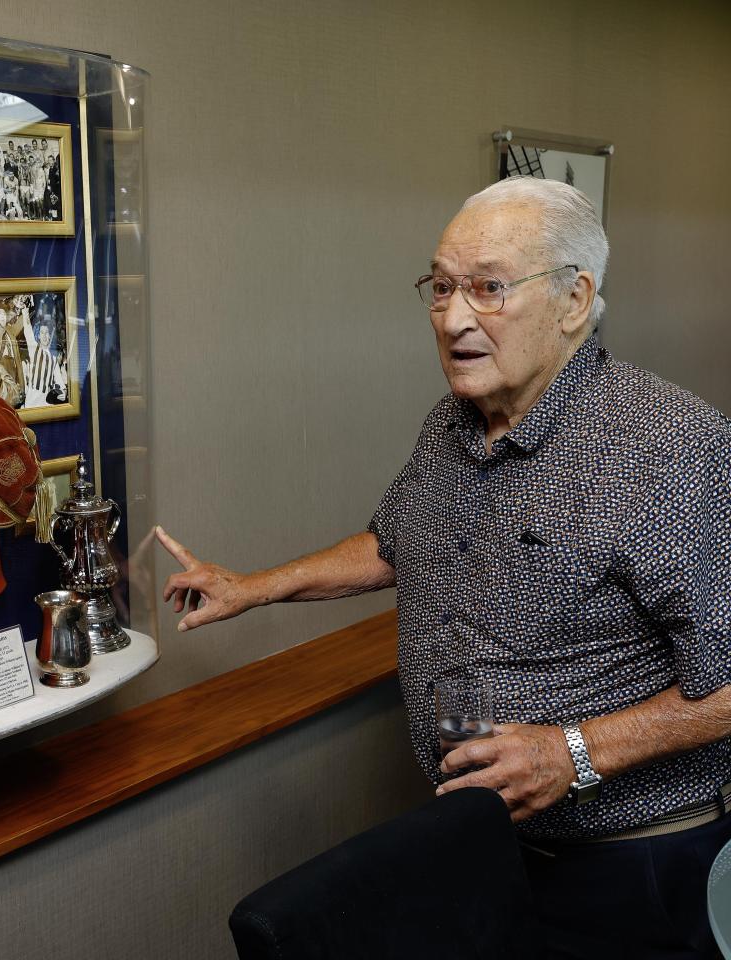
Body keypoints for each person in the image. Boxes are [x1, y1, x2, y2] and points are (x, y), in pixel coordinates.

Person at [158, 177, 731, 958]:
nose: (455, 318)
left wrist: (574, 751)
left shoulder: (670, 448)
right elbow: (398, 541)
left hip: (635, 864)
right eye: (442, 287)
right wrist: (253, 587)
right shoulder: (452, 424)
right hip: (487, 840)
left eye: (489, 289)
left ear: (574, 300)